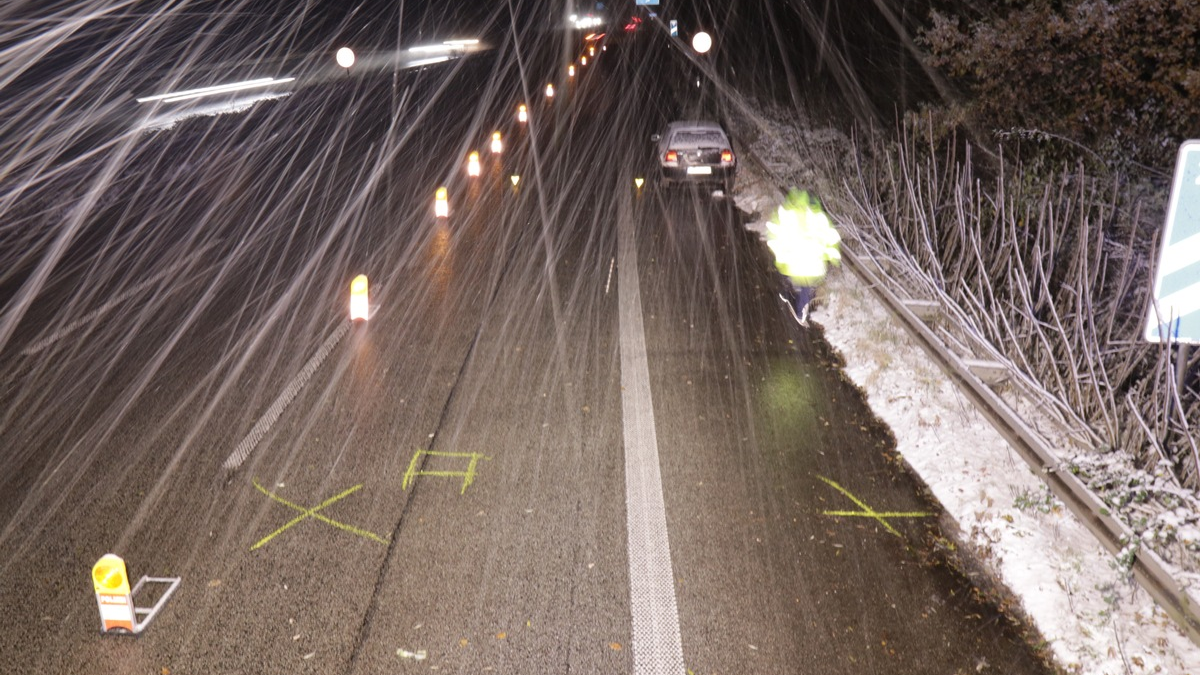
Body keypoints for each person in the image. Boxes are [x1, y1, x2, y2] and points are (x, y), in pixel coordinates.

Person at [765, 189, 841, 326]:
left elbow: (774, 233)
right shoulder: (819, 216)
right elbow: (831, 236)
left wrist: (777, 250)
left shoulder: (785, 213)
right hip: (814, 264)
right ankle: (802, 306)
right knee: (808, 281)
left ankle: (787, 291)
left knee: (788, 272)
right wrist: (833, 256)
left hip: (792, 263)